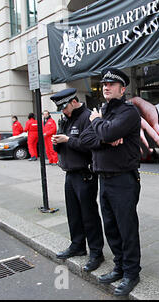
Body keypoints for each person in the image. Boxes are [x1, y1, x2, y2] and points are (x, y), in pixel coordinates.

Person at [80, 68, 142, 296]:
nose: (106, 86)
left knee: (127, 229)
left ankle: (132, 273)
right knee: (111, 228)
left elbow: (105, 132)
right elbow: (86, 138)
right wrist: (105, 137)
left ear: (122, 89)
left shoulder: (129, 113)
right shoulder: (102, 112)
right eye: (104, 83)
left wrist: (100, 126)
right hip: (103, 179)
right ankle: (119, 267)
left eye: (112, 84)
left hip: (123, 179)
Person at [50, 88, 105, 273]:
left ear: (74, 101)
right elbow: (63, 145)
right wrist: (56, 143)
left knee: (89, 215)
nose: (63, 111)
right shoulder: (65, 118)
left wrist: (68, 140)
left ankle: (96, 253)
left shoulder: (88, 117)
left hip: (85, 173)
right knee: (73, 213)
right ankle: (78, 245)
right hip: (70, 173)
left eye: (64, 107)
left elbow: (91, 145)